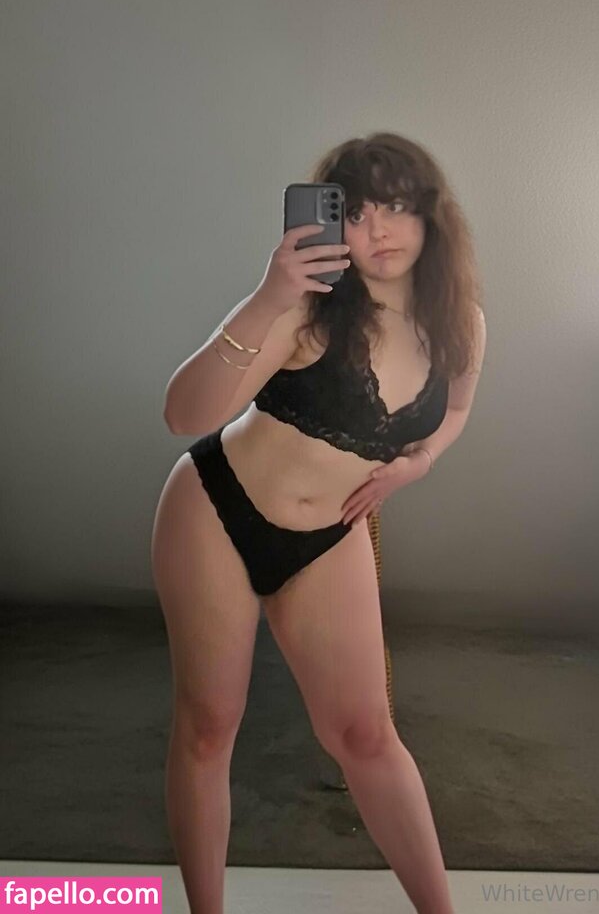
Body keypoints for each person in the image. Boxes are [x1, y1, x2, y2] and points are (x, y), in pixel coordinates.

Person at [151, 132, 486, 914]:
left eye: (395, 207)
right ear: (332, 223)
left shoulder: (460, 323)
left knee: (366, 735)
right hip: (217, 512)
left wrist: (418, 462)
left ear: (430, 216)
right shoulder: (308, 313)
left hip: (330, 535)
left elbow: (457, 409)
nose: (378, 230)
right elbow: (181, 415)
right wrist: (266, 297)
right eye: (356, 213)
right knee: (208, 728)